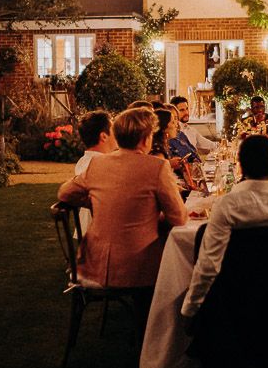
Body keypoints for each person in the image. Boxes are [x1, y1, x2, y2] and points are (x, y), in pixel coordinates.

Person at [58, 107, 187, 336]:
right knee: (181, 267)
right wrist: (154, 215)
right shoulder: (156, 167)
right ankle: (164, 334)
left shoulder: (98, 165)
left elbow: (65, 193)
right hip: (137, 266)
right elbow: (178, 218)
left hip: (94, 262)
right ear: (146, 138)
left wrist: (96, 202)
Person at [181, 135, 268, 324]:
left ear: (240, 166)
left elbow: (209, 263)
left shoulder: (226, 205)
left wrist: (191, 309)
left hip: (232, 303)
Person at [72, 110, 117, 234]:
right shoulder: (97, 164)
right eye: (113, 130)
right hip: (100, 230)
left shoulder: (84, 161)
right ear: (104, 136)